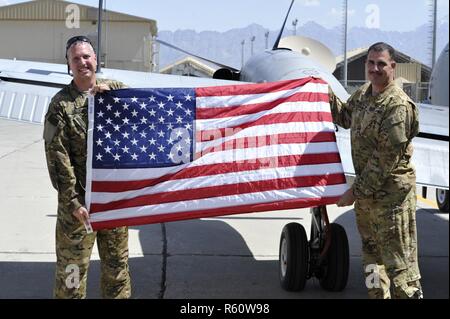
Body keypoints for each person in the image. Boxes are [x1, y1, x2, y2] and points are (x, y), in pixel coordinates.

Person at [328, 42, 423, 299]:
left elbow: (384, 160)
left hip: (391, 201)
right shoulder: (364, 94)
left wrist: (353, 193)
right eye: (371, 63)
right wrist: (319, 90)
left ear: (393, 67)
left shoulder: (397, 106)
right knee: (372, 261)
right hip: (368, 200)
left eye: (381, 63)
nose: (375, 68)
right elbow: (344, 117)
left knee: (400, 269)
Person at [43, 35, 131, 298]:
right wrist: (73, 202)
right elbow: (57, 157)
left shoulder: (115, 90)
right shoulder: (61, 105)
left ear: (96, 59)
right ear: (68, 65)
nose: (82, 62)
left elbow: (141, 113)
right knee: (71, 278)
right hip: (78, 209)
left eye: (86, 57)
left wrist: (114, 98)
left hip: (112, 203)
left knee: (117, 273)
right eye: (75, 58)